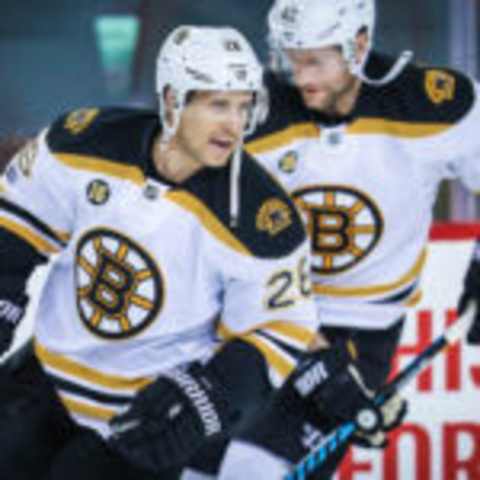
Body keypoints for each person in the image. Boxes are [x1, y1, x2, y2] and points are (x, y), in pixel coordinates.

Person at [0, 24, 392, 480]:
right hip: (46, 380)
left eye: (245, 106)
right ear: (171, 100)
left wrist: (212, 394)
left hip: (145, 418)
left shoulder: (263, 218)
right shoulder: (81, 143)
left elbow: (280, 328)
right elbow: (16, 226)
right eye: (218, 104)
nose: (235, 124)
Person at [218, 0, 480, 477]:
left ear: (358, 46)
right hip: (260, 316)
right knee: (197, 464)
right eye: (289, 57)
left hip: (362, 329)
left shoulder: (431, 105)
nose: (299, 75)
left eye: (314, 60)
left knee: (255, 469)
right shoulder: (255, 113)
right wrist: (310, 358)